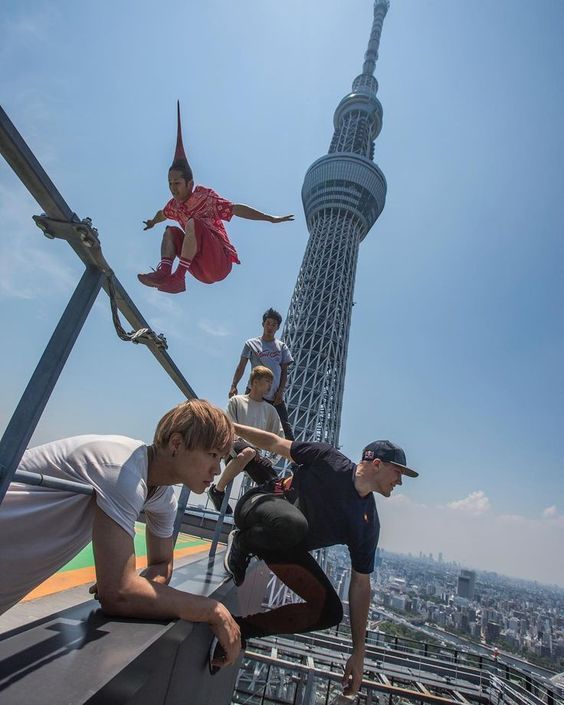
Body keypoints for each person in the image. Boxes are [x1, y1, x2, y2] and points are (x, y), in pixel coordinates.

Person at [0, 399, 242, 670]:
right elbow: (118, 593)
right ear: (176, 444)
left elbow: (161, 565)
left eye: (221, 459)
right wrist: (211, 610)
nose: (218, 470)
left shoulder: (162, 495)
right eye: (212, 455)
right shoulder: (122, 470)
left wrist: (138, 588)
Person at [220, 425, 419, 695]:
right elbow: (275, 442)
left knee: (330, 612)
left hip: (283, 545)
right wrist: (230, 426)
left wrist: (358, 653)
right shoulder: (328, 458)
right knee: (294, 524)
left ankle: (240, 629)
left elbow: (361, 585)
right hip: (258, 506)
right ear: (376, 464)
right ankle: (243, 541)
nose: (400, 481)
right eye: (398, 472)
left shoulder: (367, 523)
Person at [138, 103, 294, 294]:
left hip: (218, 262)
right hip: (198, 267)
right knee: (170, 231)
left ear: (190, 183)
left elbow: (236, 209)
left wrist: (270, 218)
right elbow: (162, 214)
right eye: (169, 183)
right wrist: (153, 221)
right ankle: (164, 272)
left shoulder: (205, 197)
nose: (172, 188)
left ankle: (178, 277)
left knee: (193, 223)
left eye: (177, 183)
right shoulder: (174, 206)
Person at [208, 365, 284, 514]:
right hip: (233, 447)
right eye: (267, 381)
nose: (270, 385)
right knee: (248, 452)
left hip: (255, 455)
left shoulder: (270, 410)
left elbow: (279, 437)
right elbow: (229, 427)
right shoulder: (236, 401)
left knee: (275, 486)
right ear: (255, 381)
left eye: (271, 382)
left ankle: (252, 513)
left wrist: (272, 459)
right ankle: (218, 490)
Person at [229, 307, 294, 440]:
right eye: (268, 323)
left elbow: (284, 372)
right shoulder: (251, 344)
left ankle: (296, 459)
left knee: (285, 430)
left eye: (274, 325)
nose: (270, 327)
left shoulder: (281, 347)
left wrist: (280, 392)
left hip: (274, 395)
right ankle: (238, 450)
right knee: (245, 425)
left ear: (278, 328)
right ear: (263, 324)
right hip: (254, 390)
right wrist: (234, 385)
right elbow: (241, 366)